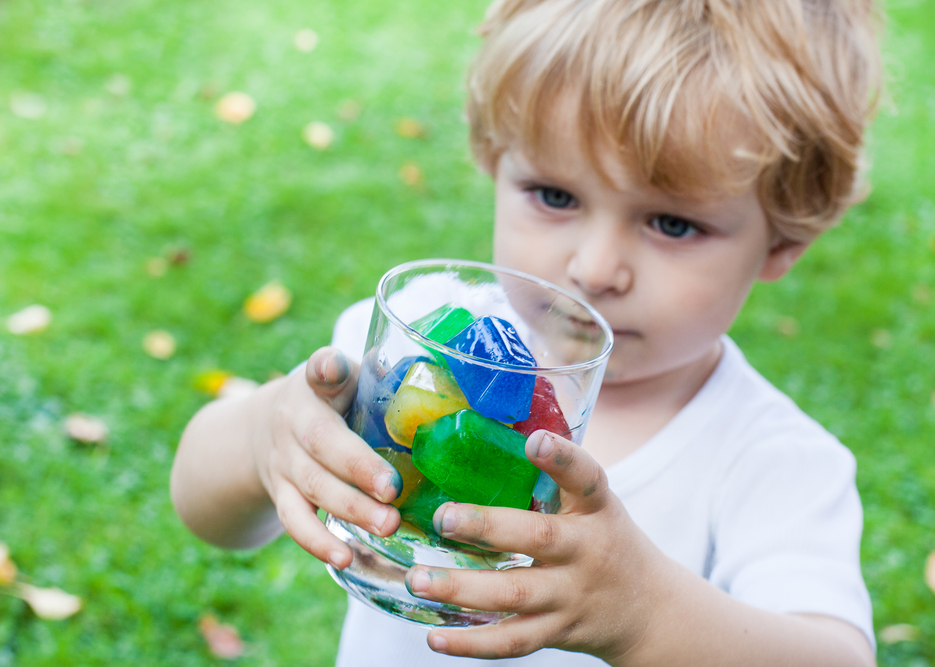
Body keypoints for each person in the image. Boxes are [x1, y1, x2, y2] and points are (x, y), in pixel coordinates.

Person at [171, 0, 883, 664]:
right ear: (494, 155)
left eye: (673, 223)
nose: (595, 268)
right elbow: (207, 513)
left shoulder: (771, 462)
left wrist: (645, 612)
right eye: (554, 195)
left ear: (783, 241)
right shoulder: (411, 352)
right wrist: (265, 436)